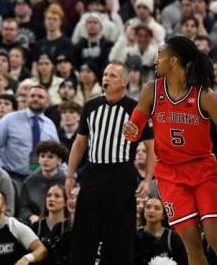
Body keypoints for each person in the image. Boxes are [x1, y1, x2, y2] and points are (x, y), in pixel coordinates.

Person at [125, 35, 217, 265]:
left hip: (203, 171)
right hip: (169, 174)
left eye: (160, 55)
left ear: (173, 61)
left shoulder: (204, 95)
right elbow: (135, 128)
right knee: (191, 243)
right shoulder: (151, 90)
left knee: (216, 238)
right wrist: (130, 129)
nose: (155, 61)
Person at [65, 61, 156, 265]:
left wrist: (148, 179)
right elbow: (80, 143)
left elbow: (151, 147)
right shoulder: (90, 106)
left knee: (120, 236)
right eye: (105, 74)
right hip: (93, 173)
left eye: (112, 75)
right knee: (83, 233)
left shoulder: (136, 109)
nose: (106, 78)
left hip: (121, 174)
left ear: (124, 81)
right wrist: (70, 175)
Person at [19, 141, 68, 224]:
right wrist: (30, 216)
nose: (45, 160)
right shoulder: (29, 181)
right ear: (38, 159)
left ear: (59, 160)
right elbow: (23, 208)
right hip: (35, 224)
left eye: (50, 157)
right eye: (42, 156)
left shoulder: (66, 181)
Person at [135, 197, 188, 265]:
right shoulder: (135, 235)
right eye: (148, 207)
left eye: (157, 208)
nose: (151, 211)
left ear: (163, 215)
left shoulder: (173, 237)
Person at [31, 185, 73, 265]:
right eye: (49, 195)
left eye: (57, 196)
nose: (51, 199)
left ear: (65, 202)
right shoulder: (36, 227)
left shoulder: (70, 227)